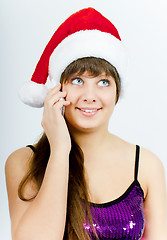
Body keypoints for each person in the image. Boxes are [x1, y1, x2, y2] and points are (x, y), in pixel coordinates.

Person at [5, 7, 167, 240]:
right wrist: (60, 150)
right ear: (56, 89)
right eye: (77, 80)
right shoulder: (22, 163)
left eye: (103, 82)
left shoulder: (147, 166)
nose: (90, 96)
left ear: (116, 92)